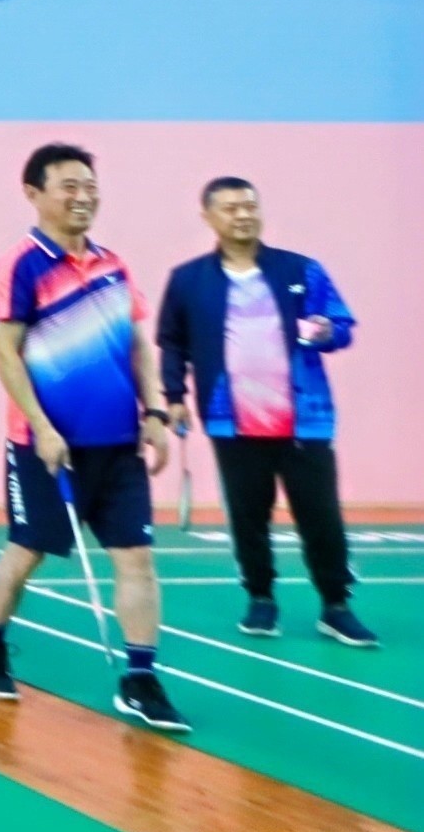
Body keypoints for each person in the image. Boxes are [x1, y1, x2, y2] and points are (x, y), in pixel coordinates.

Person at [0, 143, 188, 733]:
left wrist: (155, 411)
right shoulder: (18, 266)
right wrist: (41, 427)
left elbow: (137, 344)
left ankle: (140, 679)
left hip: (118, 445)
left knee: (137, 558)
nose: (83, 196)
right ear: (34, 193)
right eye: (69, 185)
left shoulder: (113, 265)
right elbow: (3, 351)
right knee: (27, 553)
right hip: (46, 447)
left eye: (90, 186)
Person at [156, 179, 374, 647]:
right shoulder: (188, 280)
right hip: (232, 420)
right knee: (248, 517)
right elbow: (172, 342)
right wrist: (173, 396)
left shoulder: (300, 269)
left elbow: (341, 325)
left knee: (321, 516)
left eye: (250, 206)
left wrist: (327, 332)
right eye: (231, 208)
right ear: (208, 217)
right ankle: (261, 599)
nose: (243, 215)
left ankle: (336, 606)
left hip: (304, 420)